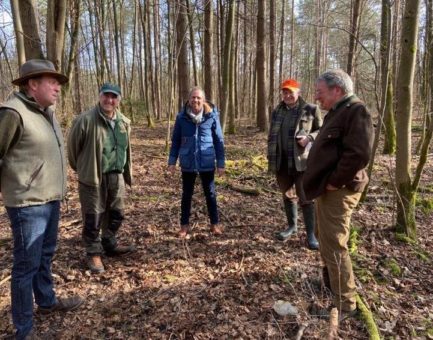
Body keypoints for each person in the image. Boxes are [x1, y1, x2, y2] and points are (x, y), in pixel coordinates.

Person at [0, 59, 84, 340]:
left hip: (49, 199)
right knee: (26, 266)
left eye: (58, 82)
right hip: (27, 204)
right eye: (52, 81)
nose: (58, 87)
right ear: (32, 84)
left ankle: (46, 302)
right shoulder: (13, 112)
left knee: (45, 256)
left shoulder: (46, 112)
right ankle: (24, 330)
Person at [303, 69, 373, 319]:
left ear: (337, 90)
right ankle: (331, 284)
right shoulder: (337, 112)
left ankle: (345, 305)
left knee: (334, 245)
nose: (316, 97)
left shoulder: (356, 111)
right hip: (327, 188)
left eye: (320, 92)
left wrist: (334, 181)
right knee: (324, 237)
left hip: (339, 190)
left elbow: (359, 154)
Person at [68, 83, 135, 274]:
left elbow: (126, 149)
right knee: (93, 216)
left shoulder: (124, 122)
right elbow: (73, 149)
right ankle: (93, 252)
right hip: (93, 176)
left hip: (117, 174)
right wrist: (82, 168)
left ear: (118, 100)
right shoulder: (85, 120)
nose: (109, 100)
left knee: (117, 212)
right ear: (100, 97)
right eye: (106, 96)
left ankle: (109, 242)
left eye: (114, 97)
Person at [267, 79, 322, 250]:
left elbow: (321, 129)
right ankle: (292, 226)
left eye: (291, 92)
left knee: (306, 198)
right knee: (288, 195)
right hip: (281, 162)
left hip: (302, 162)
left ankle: (311, 234)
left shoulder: (310, 109)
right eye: (285, 92)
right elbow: (272, 134)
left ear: (298, 92)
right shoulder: (277, 111)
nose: (287, 95)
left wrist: (309, 138)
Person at [168, 87, 225, 238]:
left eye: (199, 98)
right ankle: (184, 226)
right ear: (189, 100)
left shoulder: (211, 117)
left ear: (203, 100)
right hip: (188, 162)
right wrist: (172, 161)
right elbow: (175, 141)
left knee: (210, 193)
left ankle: (215, 224)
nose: (196, 100)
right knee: (186, 194)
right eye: (193, 97)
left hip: (206, 160)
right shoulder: (182, 118)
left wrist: (220, 163)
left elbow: (219, 140)